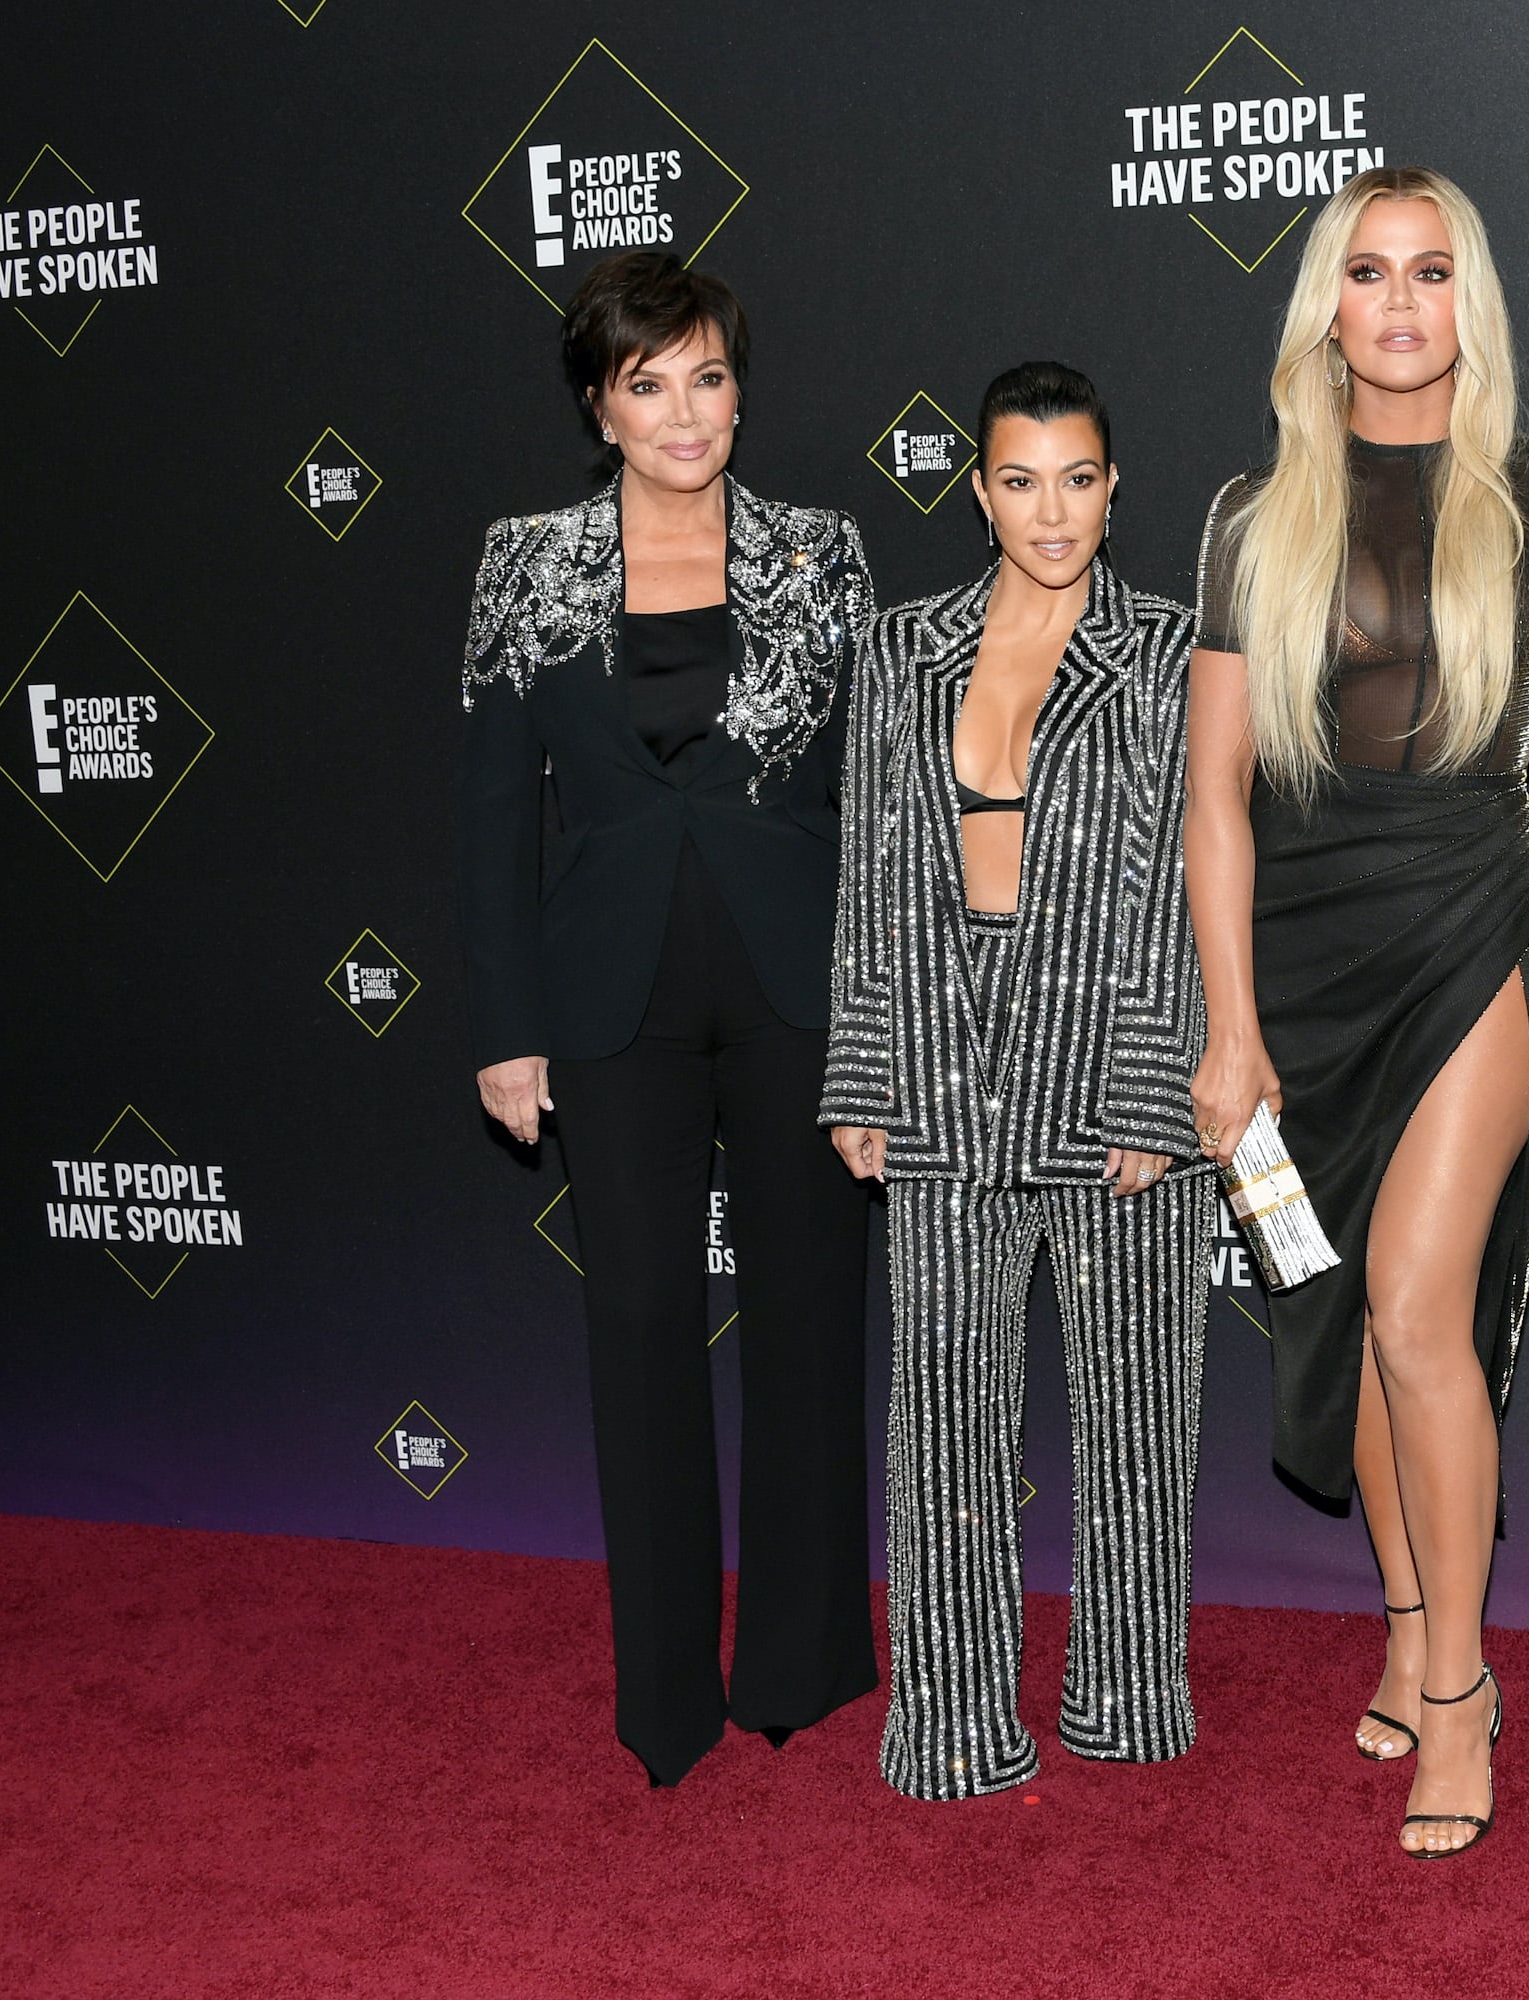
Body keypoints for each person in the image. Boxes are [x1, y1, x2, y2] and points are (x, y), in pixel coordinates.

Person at [1186, 165, 1529, 1858]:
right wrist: (1231, 1027)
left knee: (1422, 1305)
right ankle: (1407, 1622)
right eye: (1368, 273)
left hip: (1472, 921)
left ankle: (1458, 1692)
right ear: (1329, 308)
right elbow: (1216, 801)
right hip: (1303, 951)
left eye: (1433, 273)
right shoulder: (1251, 515)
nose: (1401, 304)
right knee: (1355, 1314)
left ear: (1469, 302)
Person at [458, 249, 876, 1789]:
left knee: (809, 1323)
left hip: (797, 989)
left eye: (709, 377)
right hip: (608, 998)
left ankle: (803, 1658)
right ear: (600, 404)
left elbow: (876, 804)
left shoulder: (822, 554)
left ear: (739, 392)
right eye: (650, 383)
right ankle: (666, 1699)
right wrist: (506, 1024)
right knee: (638, 1330)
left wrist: (880, 1018)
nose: (687, 411)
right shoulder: (525, 565)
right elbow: (494, 812)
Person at [822, 362, 1210, 1802]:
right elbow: (869, 863)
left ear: (1115, 489)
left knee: (1135, 1411)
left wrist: (1158, 1078)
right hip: (940, 1048)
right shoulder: (900, 646)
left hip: (1111, 1054)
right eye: (1021, 481)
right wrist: (862, 1067)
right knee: (943, 1421)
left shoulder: (1172, 648)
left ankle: (1125, 1693)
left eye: (1079, 480)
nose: (1053, 512)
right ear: (979, 492)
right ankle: (953, 1720)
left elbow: (1195, 870)